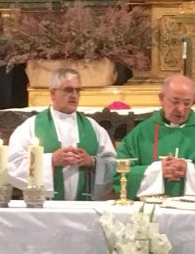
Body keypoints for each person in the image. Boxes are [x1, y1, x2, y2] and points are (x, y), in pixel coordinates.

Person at [114, 74, 195, 198]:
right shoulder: (141, 132)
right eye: (175, 102)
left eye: (187, 103)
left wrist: (190, 170)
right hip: (150, 206)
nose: (181, 109)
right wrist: (157, 170)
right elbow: (119, 172)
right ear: (162, 98)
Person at [7, 68, 116, 200]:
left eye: (78, 90)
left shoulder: (93, 127)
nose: (74, 95)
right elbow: (13, 165)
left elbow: (113, 165)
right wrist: (51, 160)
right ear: (53, 93)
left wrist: (91, 161)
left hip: (85, 206)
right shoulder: (31, 126)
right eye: (68, 90)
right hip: (43, 206)